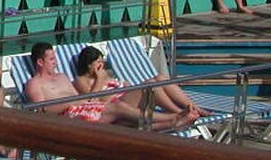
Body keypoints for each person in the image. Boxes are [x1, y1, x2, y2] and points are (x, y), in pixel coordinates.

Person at [70, 45, 198, 129]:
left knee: (160, 78)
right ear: (89, 65)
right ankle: (178, 112)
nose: (101, 65)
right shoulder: (81, 80)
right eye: (98, 62)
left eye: (102, 61)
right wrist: (100, 79)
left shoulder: (106, 74)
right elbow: (92, 101)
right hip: (116, 106)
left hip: (127, 99)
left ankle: (194, 108)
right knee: (150, 85)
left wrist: (123, 85)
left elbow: (125, 86)